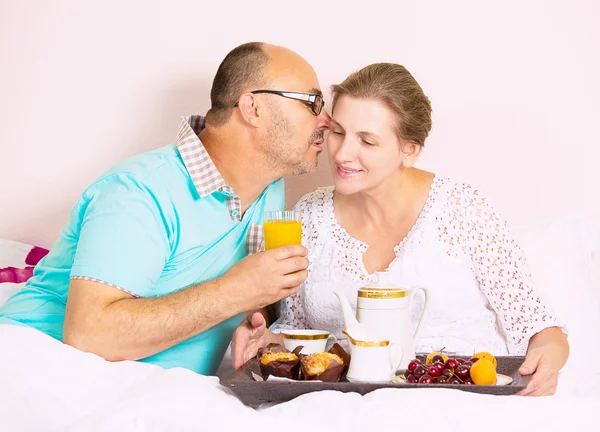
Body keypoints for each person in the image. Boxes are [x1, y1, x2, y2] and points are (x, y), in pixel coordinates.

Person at [232, 62, 569, 396]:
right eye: (338, 132)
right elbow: (297, 336)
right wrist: (262, 338)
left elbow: (542, 331)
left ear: (409, 150)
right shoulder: (307, 217)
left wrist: (547, 360)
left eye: (367, 140)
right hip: (345, 405)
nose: (343, 152)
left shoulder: (463, 208)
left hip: (464, 399)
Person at [0, 42, 330, 375]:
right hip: (38, 365)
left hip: (153, 389)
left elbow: (239, 284)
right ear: (253, 108)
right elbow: (90, 336)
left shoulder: (268, 187)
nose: (327, 121)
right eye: (313, 103)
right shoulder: (138, 190)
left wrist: (252, 320)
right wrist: (235, 293)